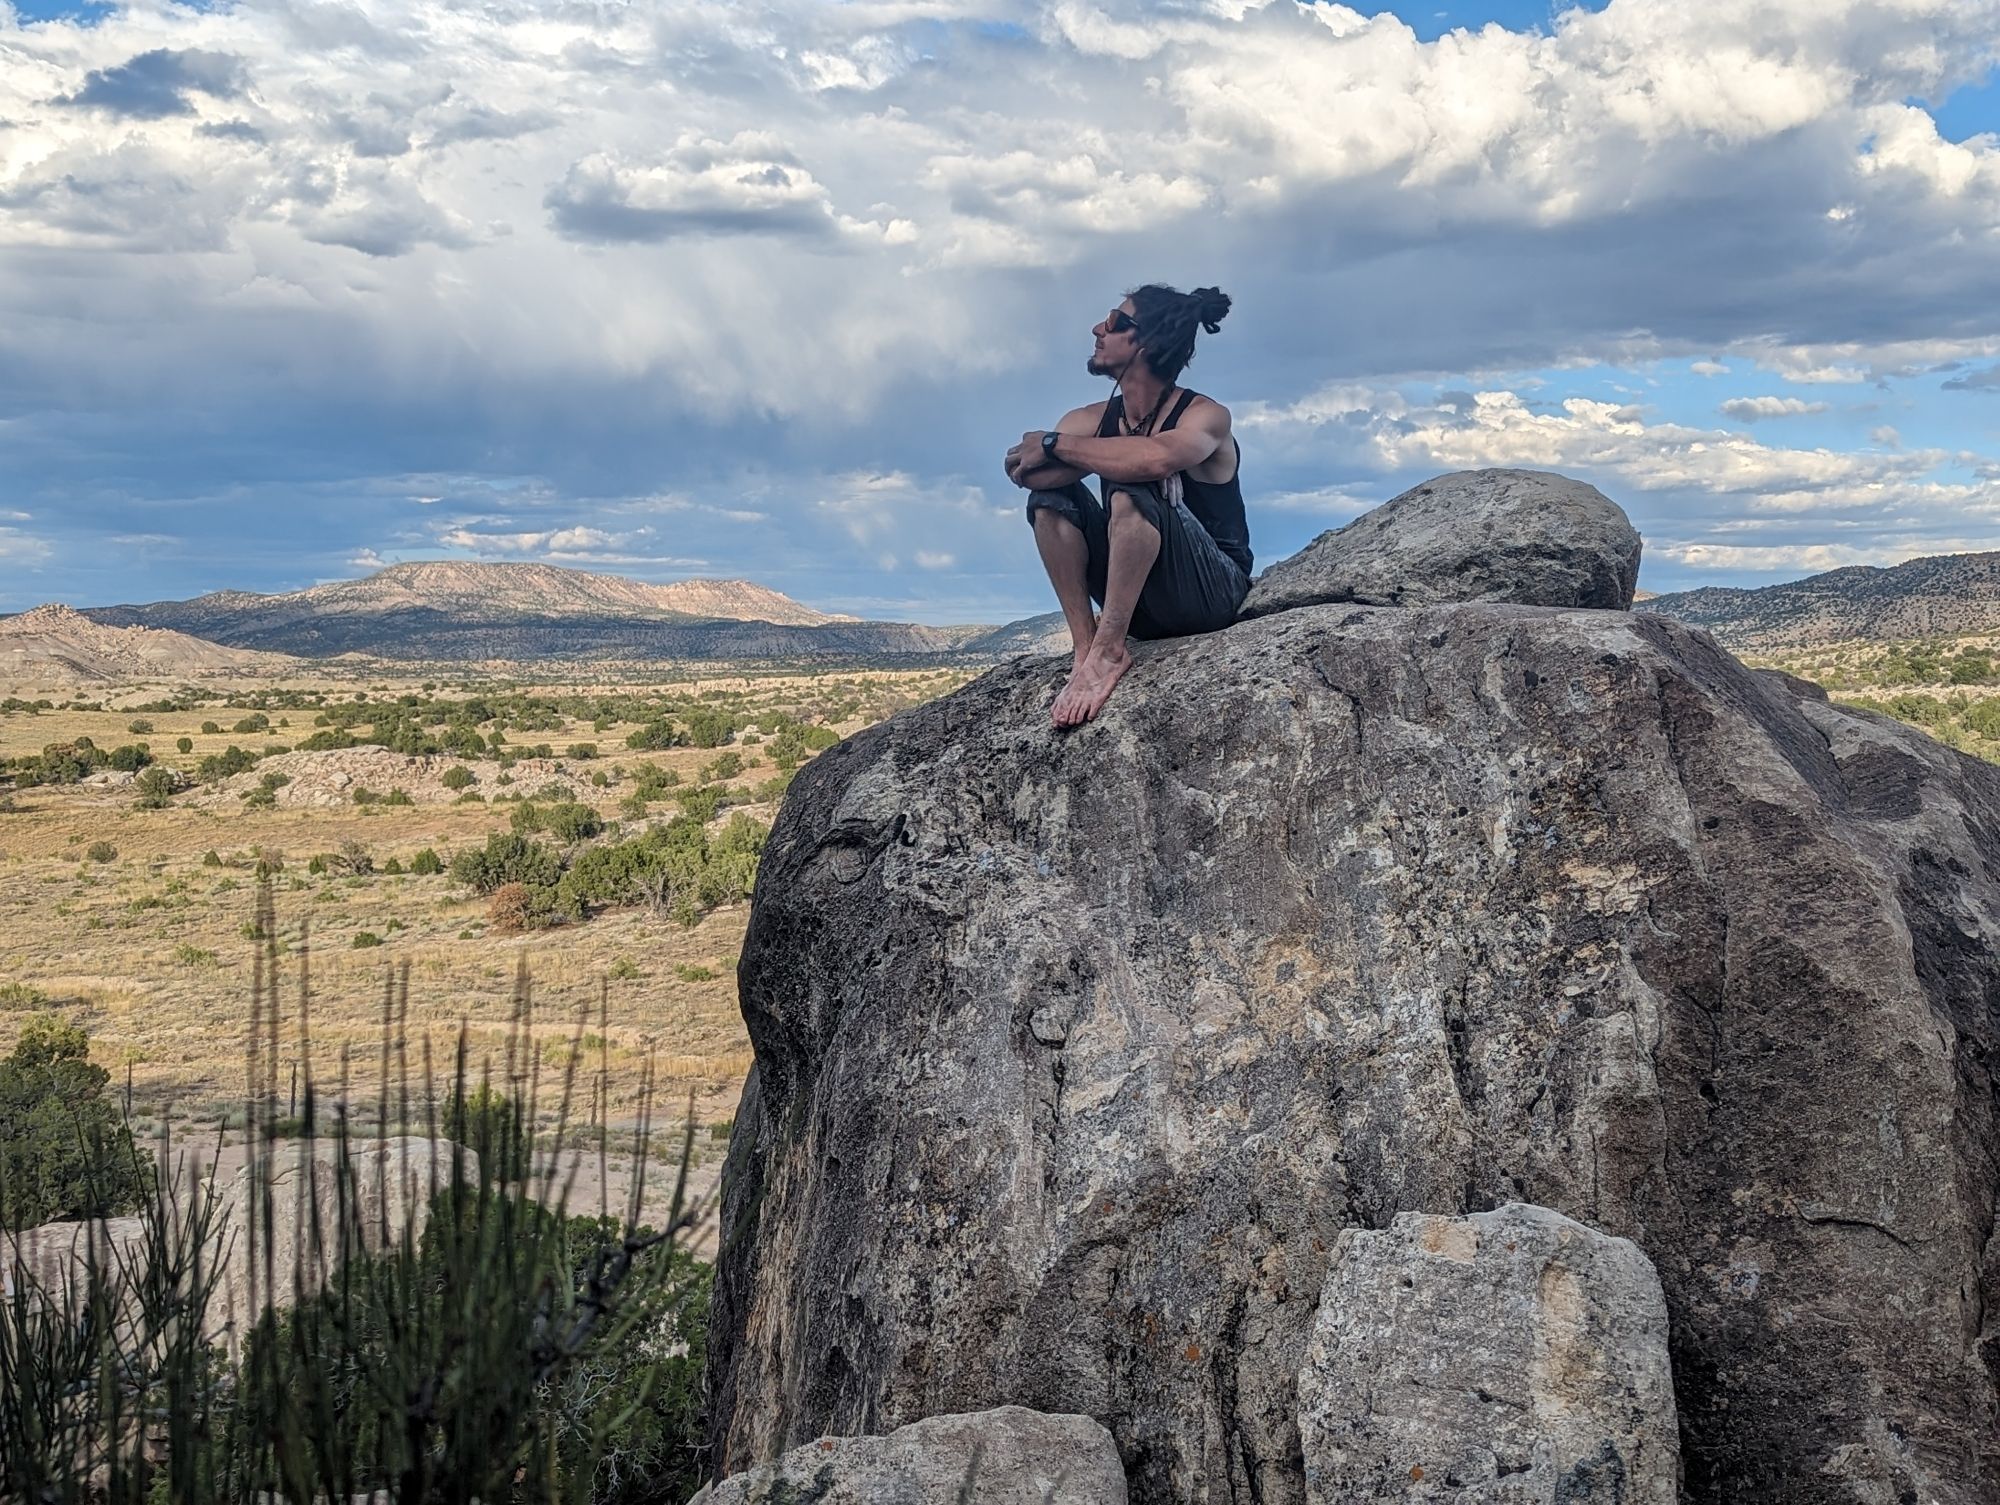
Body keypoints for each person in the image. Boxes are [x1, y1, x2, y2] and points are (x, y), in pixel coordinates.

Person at [1004, 284, 1251, 727]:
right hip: (1141, 607)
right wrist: (1056, 449)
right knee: (1051, 500)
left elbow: (1155, 458)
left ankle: (1110, 653)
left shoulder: (1206, 416)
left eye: (1116, 322)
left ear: (1149, 341)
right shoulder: (1092, 418)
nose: (1098, 329)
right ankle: (1087, 647)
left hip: (1210, 594)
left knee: (1135, 480)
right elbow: (1032, 475)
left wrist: (1054, 443)